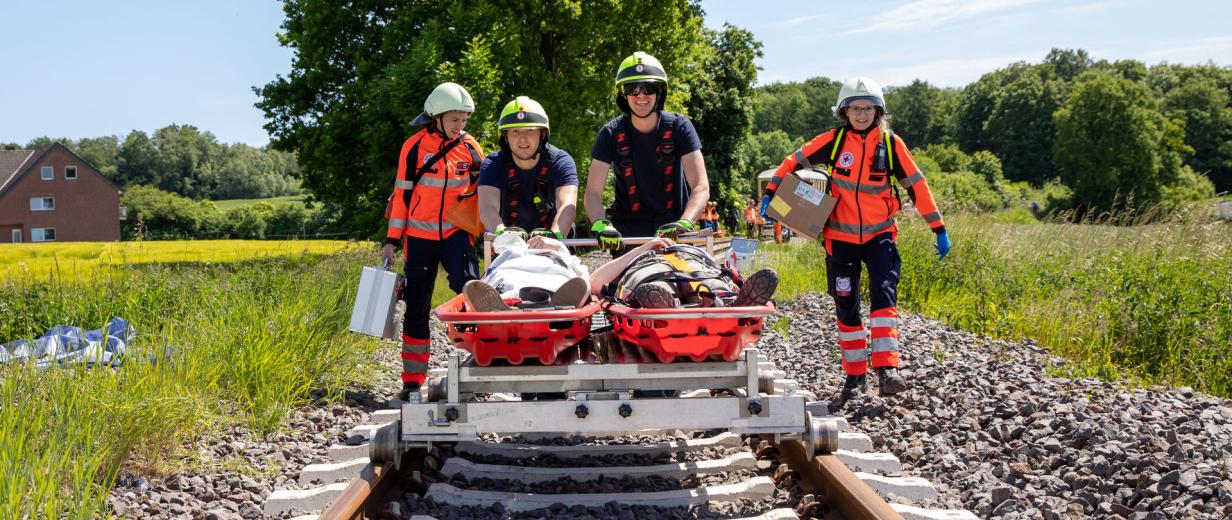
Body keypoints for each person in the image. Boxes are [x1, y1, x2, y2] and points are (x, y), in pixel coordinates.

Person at [761, 77, 951, 406]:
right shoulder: (832, 143)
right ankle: (855, 377)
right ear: (844, 111)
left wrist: (938, 227)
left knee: (883, 299)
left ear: (878, 111)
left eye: (868, 108)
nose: (861, 114)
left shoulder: (891, 145)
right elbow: (792, 161)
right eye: (855, 108)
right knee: (846, 306)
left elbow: (917, 185)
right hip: (840, 239)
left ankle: (887, 371)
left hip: (880, 236)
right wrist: (771, 193)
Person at [381, 82, 484, 402]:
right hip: (419, 239)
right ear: (436, 117)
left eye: (464, 120)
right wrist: (391, 241)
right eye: (455, 120)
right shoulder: (413, 148)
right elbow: (401, 197)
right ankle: (412, 381)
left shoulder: (471, 149)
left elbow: (487, 194)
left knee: (471, 295)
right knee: (416, 308)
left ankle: (477, 367)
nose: (460, 126)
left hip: (457, 236)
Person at [583, 51, 710, 255]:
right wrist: (600, 225)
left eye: (648, 87)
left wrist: (685, 222)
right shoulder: (610, 134)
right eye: (632, 88)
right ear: (622, 94)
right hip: (628, 234)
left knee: (684, 284)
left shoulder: (680, 127)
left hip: (673, 230)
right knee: (623, 286)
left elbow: (700, 186)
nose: (640, 95)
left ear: (660, 91)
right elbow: (592, 193)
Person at [478, 96, 578, 240]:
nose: (523, 139)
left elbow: (567, 205)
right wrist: (502, 233)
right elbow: (488, 208)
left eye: (530, 130)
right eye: (515, 131)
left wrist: (554, 237)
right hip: (508, 247)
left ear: (542, 134)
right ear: (505, 136)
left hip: (556, 245)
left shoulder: (561, 162)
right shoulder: (492, 164)